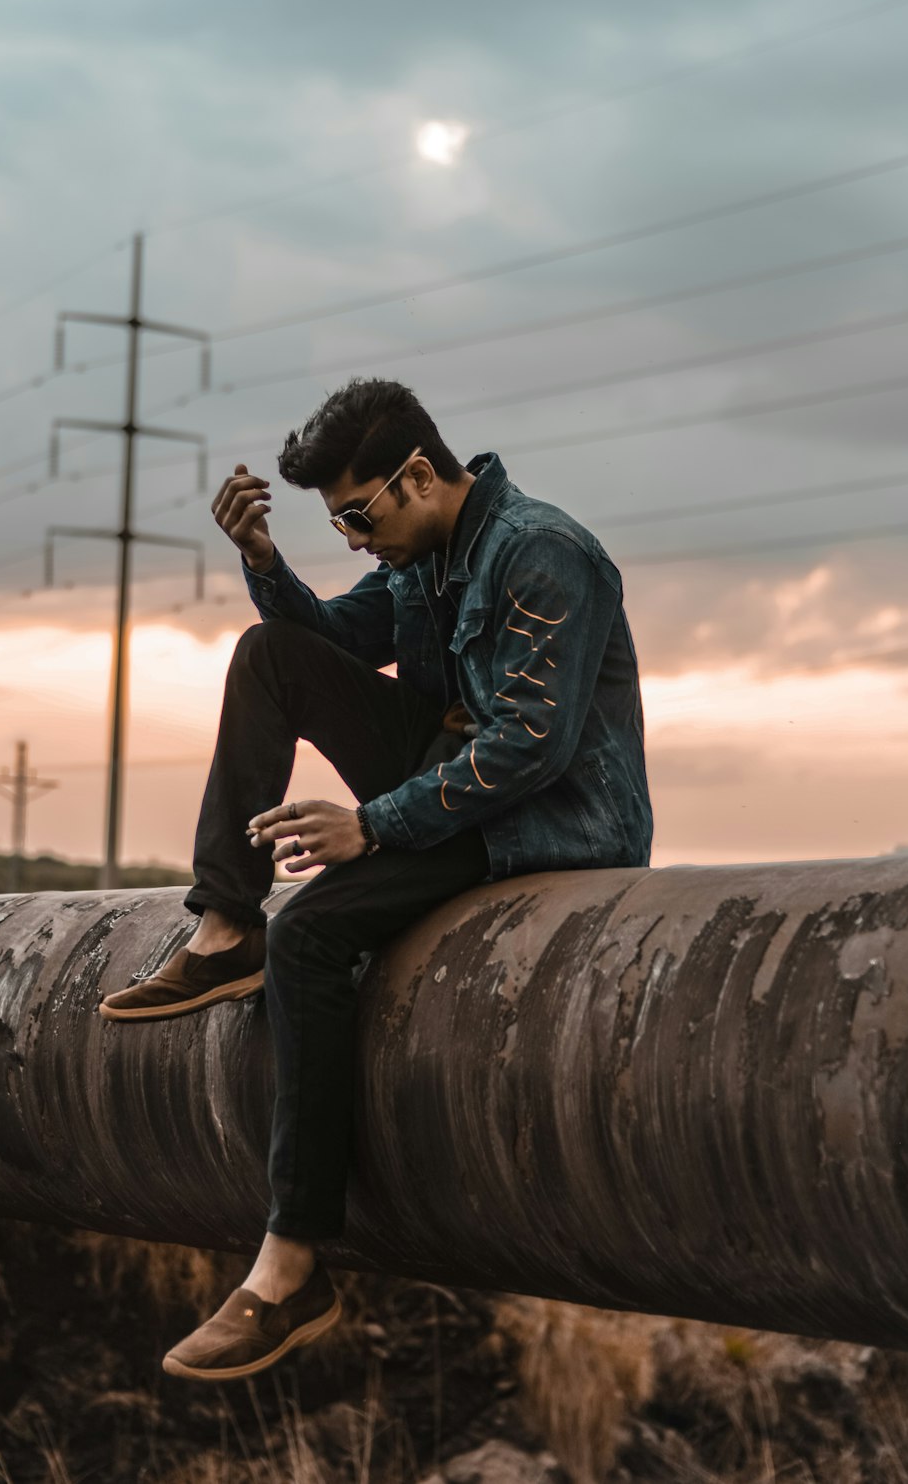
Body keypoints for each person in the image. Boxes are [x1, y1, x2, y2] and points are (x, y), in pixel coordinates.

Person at [99, 375, 652, 1381]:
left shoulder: (544, 551)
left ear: (418, 475)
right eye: (338, 524)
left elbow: (532, 744)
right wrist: (264, 562)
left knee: (312, 935)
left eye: (359, 516)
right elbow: (331, 643)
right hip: (451, 781)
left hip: (548, 817)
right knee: (271, 654)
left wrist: (371, 825)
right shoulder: (420, 557)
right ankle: (224, 926)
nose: (354, 539)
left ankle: (293, 1264)